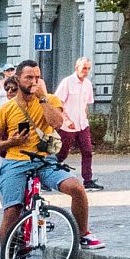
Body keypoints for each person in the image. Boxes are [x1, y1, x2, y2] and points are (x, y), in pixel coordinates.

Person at [0, 59, 97, 256]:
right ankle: (5, 256)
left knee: (77, 188)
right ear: (18, 79)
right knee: (12, 210)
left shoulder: (50, 100)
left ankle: (83, 233)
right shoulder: (5, 109)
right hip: (16, 161)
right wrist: (9, 143)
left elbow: (57, 123)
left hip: (44, 160)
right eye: (29, 77)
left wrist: (43, 99)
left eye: (37, 77)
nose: (34, 82)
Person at [56, 55, 103, 190]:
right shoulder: (67, 82)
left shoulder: (88, 84)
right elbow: (57, 103)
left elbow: (85, 104)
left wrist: (86, 118)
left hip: (82, 124)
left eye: (88, 69)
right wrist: (66, 119)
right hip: (68, 126)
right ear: (77, 68)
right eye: (84, 68)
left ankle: (87, 180)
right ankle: (48, 174)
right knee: (62, 153)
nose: (86, 71)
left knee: (87, 151)